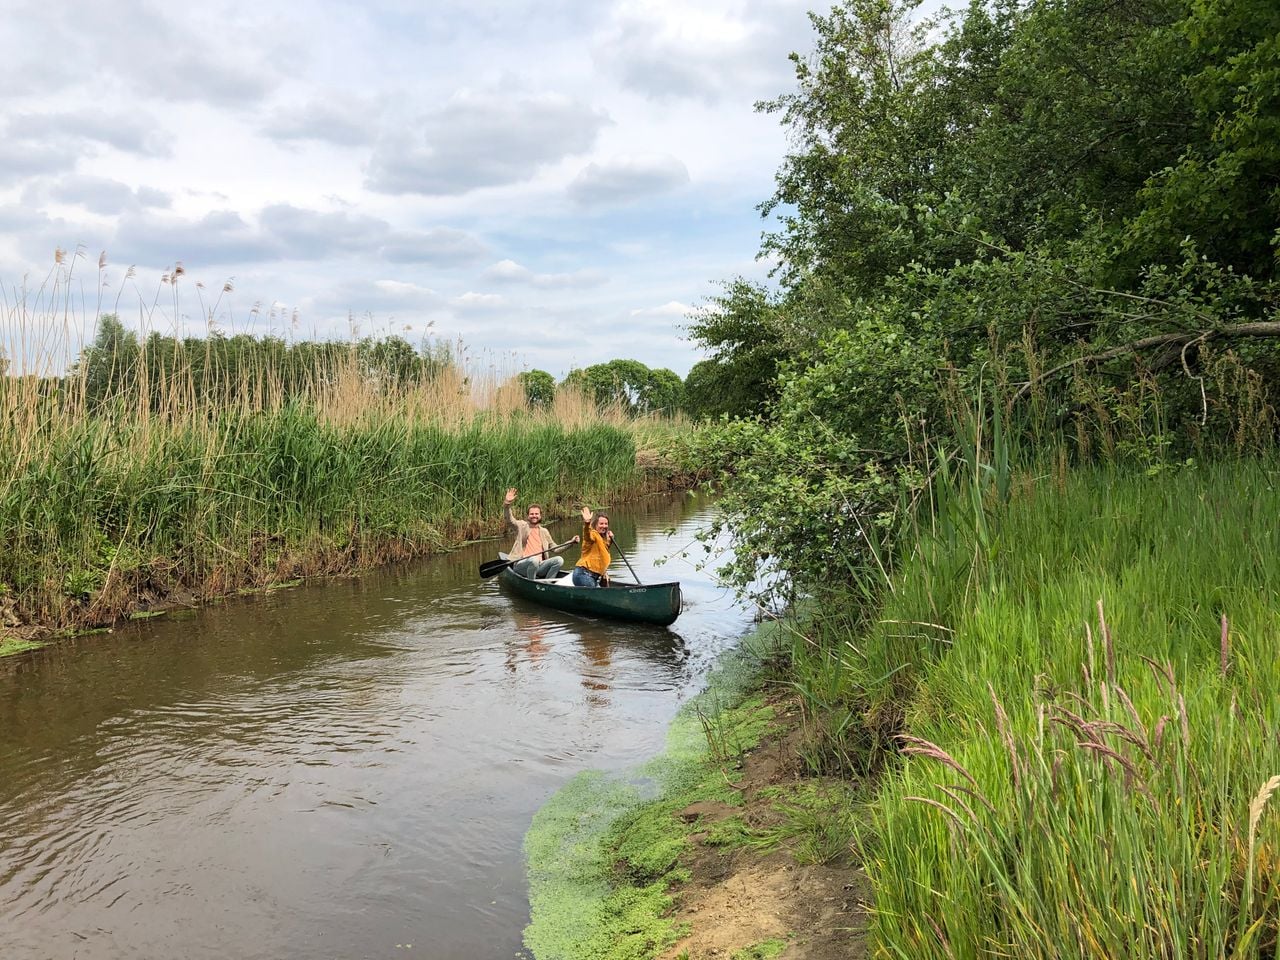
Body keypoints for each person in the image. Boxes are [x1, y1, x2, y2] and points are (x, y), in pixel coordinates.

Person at [504, 488, 576, 579]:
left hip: (540, 565)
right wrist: (507, 504)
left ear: (540, 515)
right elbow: (510, 520)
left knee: (559, 560)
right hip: (522, 565)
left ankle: (548, 583)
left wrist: (570, 543)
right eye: (532, 514)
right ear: (528, 516)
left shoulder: (544, 531)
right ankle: (531, 583)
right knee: (534, 559)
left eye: (536, 514)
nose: (534, 516)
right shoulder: (521, 526)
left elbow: (555, 549)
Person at [572, 505, 613, 588]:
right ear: (595, 525)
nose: (604, 526)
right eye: (601, 524)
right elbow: (587, 535)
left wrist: (610, 541)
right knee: (600, 596)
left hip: (593, 577)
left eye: (606, 524)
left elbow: (601, 554)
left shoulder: (603, 539)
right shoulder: (593, 535)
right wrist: (587, 523)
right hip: (583, 574)